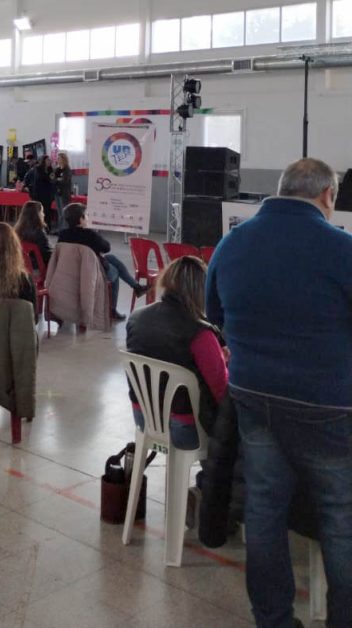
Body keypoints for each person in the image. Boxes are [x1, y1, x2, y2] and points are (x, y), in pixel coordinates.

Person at [206, 157, 352, 628]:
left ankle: (273, 619)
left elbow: (217, 317)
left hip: (252, 395)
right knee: (340, 518)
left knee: (265, 511)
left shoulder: (231, 244)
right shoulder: (341, 247)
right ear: (327, 196)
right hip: (327, 405)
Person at [127, 256, 227, 450]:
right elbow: (221, 391)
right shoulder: (200, 333)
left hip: (143, 418)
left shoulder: (136, 319)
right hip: (186, 428)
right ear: (201, 290)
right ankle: (214, 477)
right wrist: (222, 362)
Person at [58, 203, 148, 320]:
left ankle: (136, 287)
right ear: (81, 219)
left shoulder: (63, 235)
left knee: (111, 258)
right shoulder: (90, 234)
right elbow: (106, 247)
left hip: (72, 271)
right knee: (115, 272)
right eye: (86, 215)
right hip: (92, 274)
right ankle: (113, 309)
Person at [14, 200, 52, 267]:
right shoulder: (39, 233)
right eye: (42, 212)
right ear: (37, 215)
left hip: (20, 264)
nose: (44, 215)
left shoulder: (16, 231)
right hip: (37, 267)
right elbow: (46, 255)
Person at [30, 155, 56, 229]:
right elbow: (39, 180)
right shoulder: (38, 169)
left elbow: (52, 179)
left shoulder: (50, 169)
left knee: (47, 211)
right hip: (39, 193)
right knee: (39, 211)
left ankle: (47, 227)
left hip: (48, 194)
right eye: (47, 160)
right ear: (43, 161)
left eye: (49, 160)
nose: (49, 162)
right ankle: (38, 227)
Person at [54, 152, 73, 218]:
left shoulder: (67, 169)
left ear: (63, 159)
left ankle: (65, 227)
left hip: (64, 194)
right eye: (57, 158)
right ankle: (61, 227)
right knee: (59, 213)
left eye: (59, 158)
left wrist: (58, 180)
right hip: (57, 193)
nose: (58, 159)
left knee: (64, 212)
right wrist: (58, 179)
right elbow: (53, 180)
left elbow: (64, 181)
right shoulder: (57, 169)